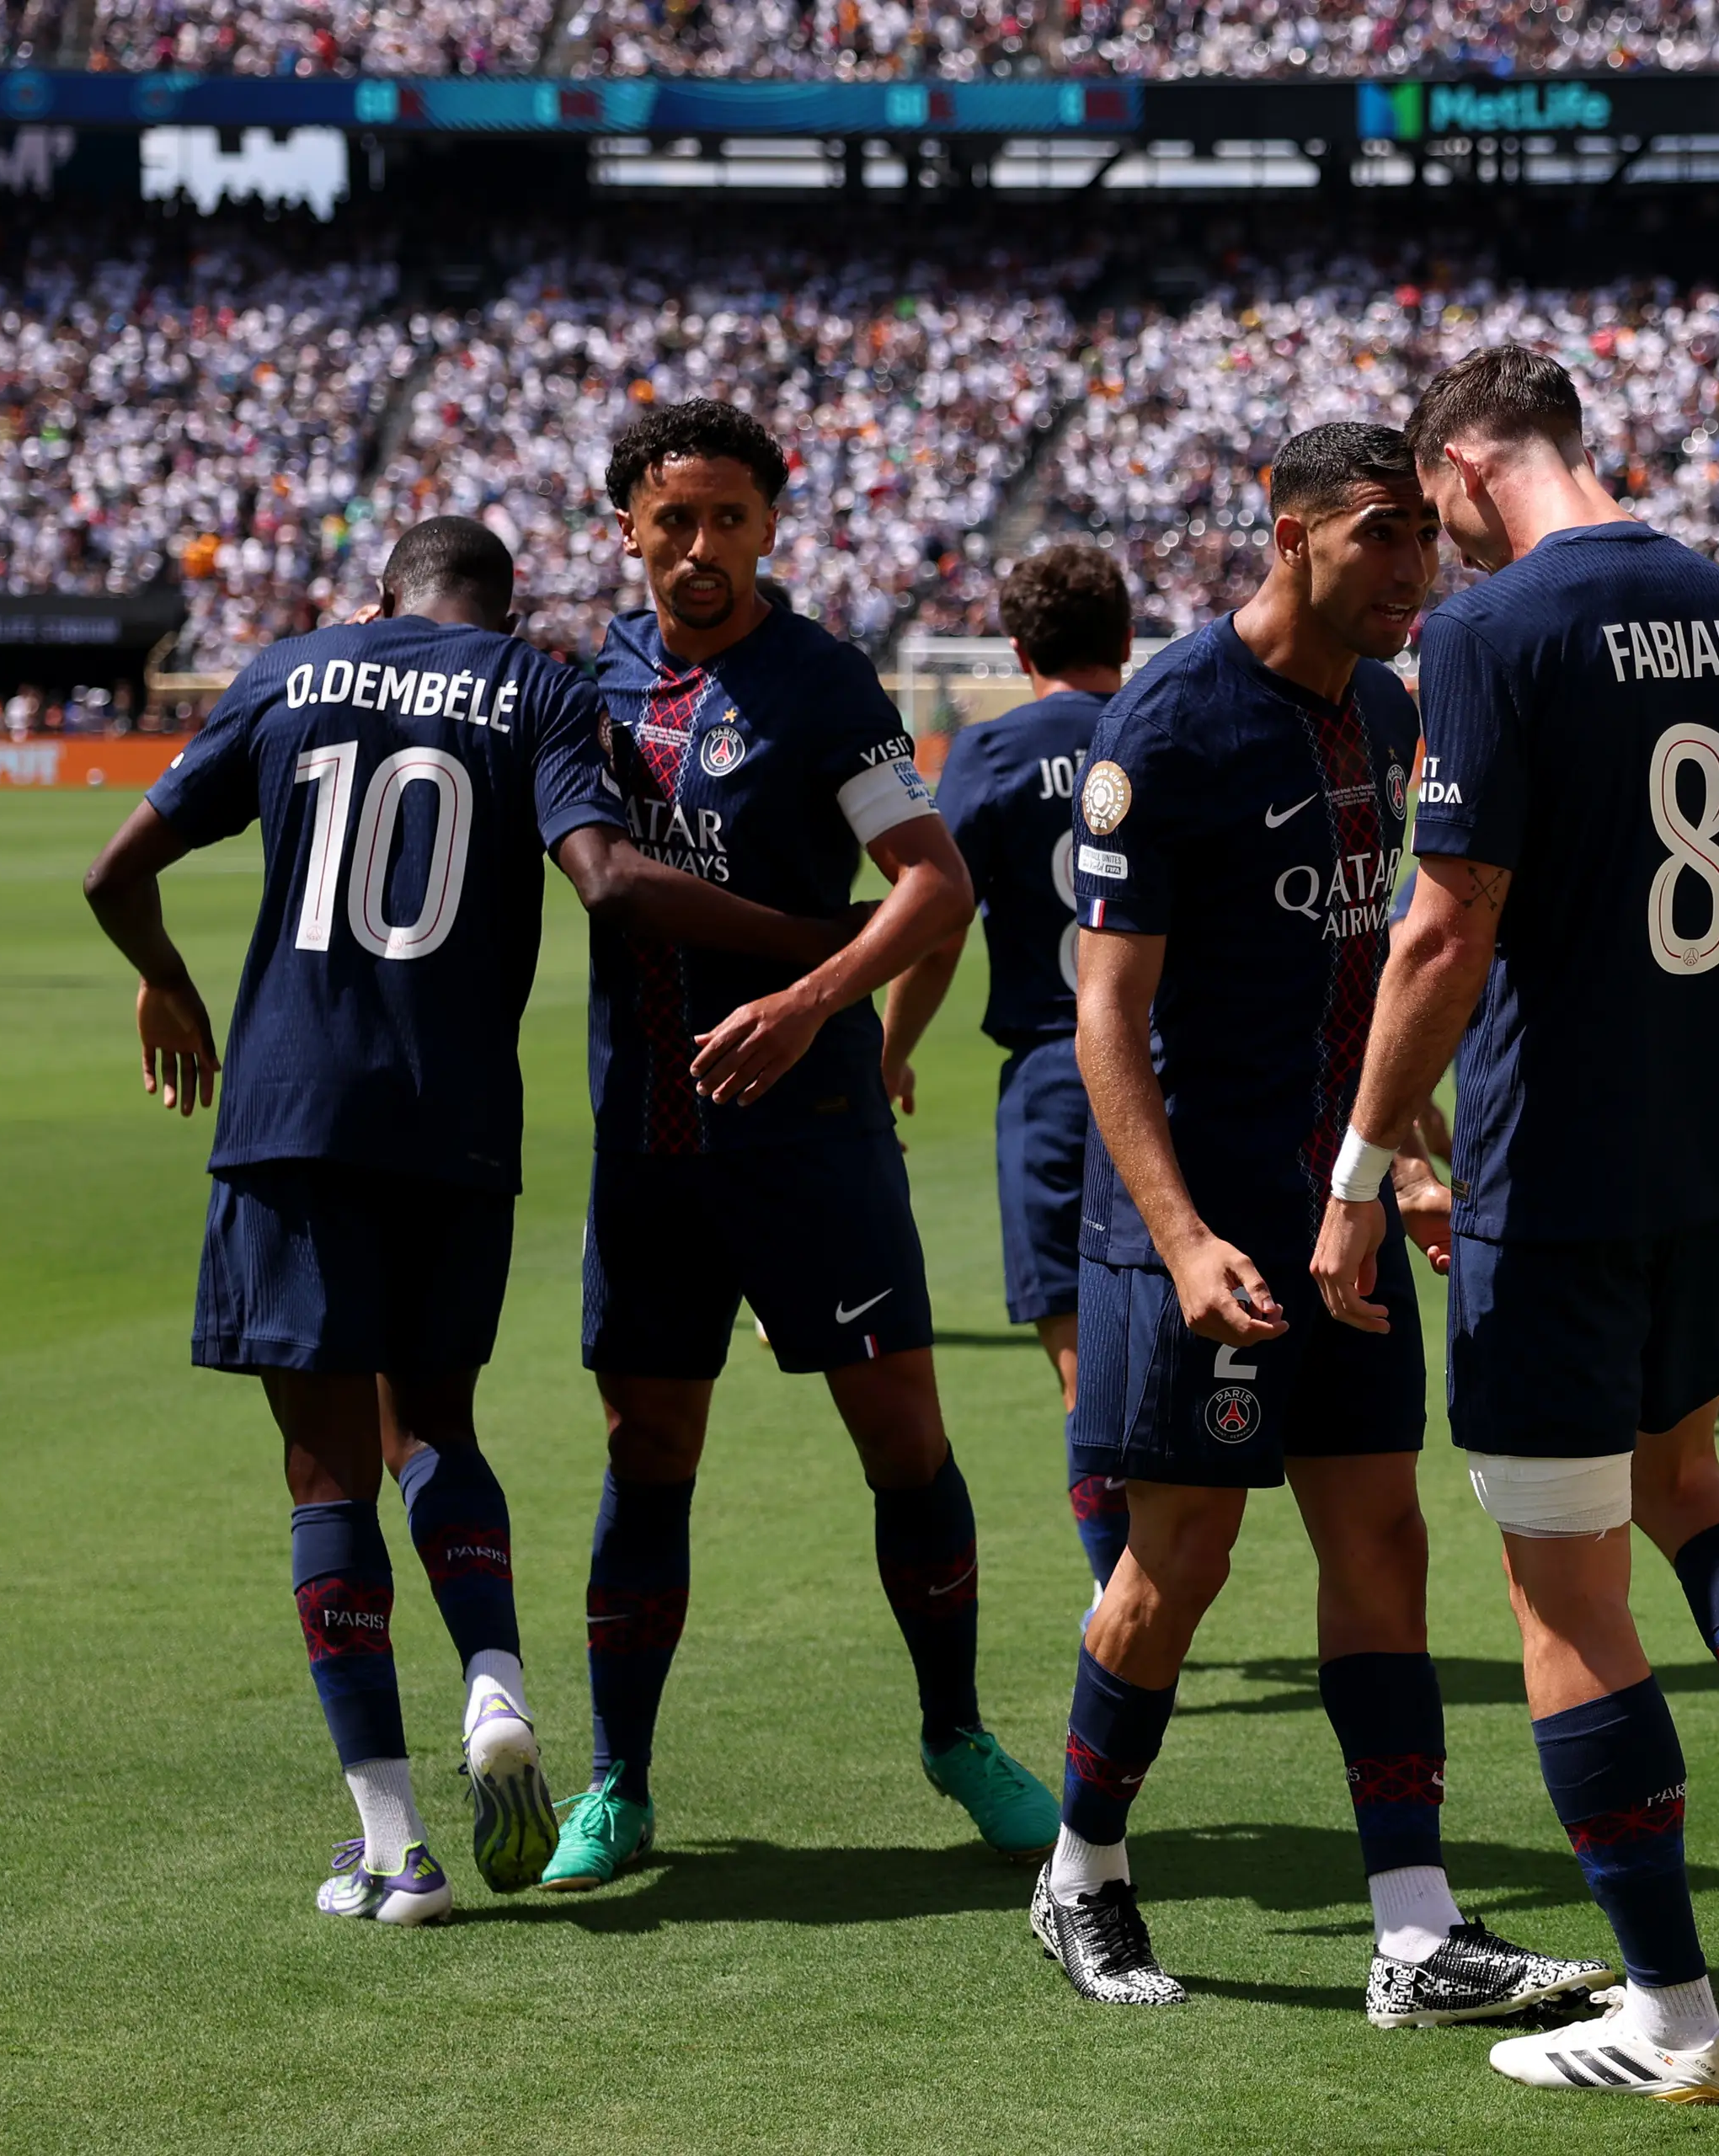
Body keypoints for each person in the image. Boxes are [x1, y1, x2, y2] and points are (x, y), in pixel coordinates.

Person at [81, 515, 856, 1926]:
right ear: (504, 610)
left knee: (327, 1481)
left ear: (382, 594)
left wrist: (168, 983)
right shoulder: (536, 687)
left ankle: (394, 1849)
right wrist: (821, 944)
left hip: (293, 1114)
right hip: (456, 1124)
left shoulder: (294, 668)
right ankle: (495, 1681)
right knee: (435, 1428)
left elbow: (111, 873)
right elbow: (608, 879)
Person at [1315, 348, 1719, 2104]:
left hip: (1553, 1171)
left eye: (1433, 502)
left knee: (1561, 1585)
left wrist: (1359, 1174)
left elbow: (1445, 928)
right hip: (1708, 1151)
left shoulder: (1492, 632)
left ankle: (1670, 2014)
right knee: (1686, 1478)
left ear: (1461, 465)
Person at [1037, 420, 1608, 2030]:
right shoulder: (1169, 723)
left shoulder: (1388, 707)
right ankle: (1080, 1873)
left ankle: (1413, 1935)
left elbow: (1368, 982)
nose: (1416, 567)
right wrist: (1180, 1239)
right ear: (1289, 533)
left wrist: (1407, 1160)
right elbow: (1107, 1017)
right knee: (1181, 1563)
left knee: (1383, 1540)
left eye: (1425, 531)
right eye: (1381, 535)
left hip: (1332, 1211)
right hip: (1195, 1222)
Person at [541, 398, 1060, 1893]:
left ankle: (957, 1734)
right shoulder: (587, 686)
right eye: (674, 518)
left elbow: (935, 883)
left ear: (771, 524)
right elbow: (591, 874)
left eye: (730, 518)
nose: (701, 546)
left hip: (813, 1124)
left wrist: (812, 999)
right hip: (650, 1135)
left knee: (902, 1439)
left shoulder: (822, 680)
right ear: (628, 529)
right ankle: (618, 1782)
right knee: (650, 1449)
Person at [880, 543, 1139, 1598]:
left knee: (1085, 1363)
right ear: (1128, 638)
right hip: (1182, 1066)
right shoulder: (1168, 726)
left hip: (1058, 1075)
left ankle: (1120, 1594)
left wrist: (892, 1050)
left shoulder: (989, 752)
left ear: (1020, 650)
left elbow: (940, 927)